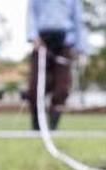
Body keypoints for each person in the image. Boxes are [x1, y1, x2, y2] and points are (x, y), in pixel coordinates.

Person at [26, 0, 88, 131]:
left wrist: (81, 49)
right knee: (35, 86)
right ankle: (37, 127)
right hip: (42, 43)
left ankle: (53, 127)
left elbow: (78, 20)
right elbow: (31, 14)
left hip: (64, 44)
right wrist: (33, 36)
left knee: (62, 88)